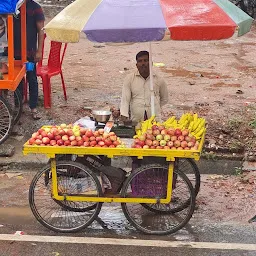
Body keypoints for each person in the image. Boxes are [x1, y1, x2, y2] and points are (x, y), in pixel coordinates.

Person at [14, 0, 45, 120]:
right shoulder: (14, 7)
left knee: (32, 78)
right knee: (17, 81)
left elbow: (41, 31)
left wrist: (39, 50)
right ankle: (18, 107)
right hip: (15, 52)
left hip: (30, 53)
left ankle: (33, 107)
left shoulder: (35, 8)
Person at [120, 51, 169, 124]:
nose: (143, 64)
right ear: (137, 65)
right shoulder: (129, 79)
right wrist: (124, 115)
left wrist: (155, 106)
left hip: (155, 121)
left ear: (151, 63)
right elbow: (125, 99)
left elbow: (164, 99)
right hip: (136, 120)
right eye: (140, 61)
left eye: (146, 60)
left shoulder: (159, 79)